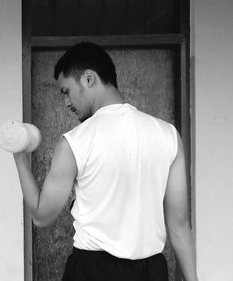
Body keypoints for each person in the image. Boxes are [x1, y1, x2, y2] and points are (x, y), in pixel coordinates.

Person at [13, 42, 198, 281]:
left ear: (89, 79)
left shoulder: (75, 142)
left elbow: (41, 215)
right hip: (151, 272)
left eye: (66, 91)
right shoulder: (168, 135)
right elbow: (180, 226)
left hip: (93, 270)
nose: (65, 103)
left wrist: (19, 157)